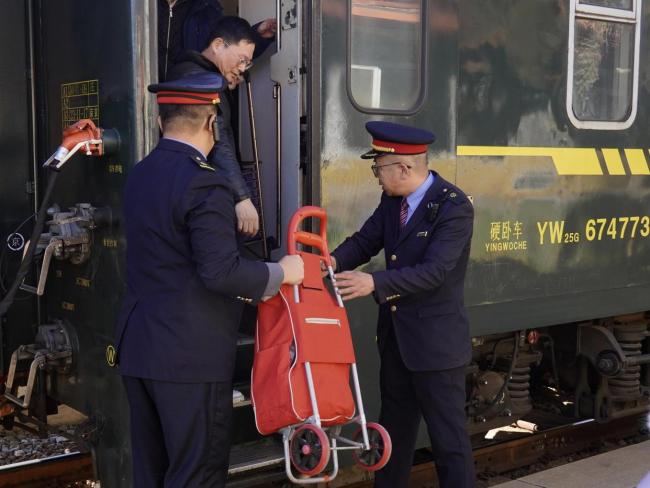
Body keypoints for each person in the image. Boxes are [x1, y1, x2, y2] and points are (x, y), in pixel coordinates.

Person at [114, 72, 304, 487]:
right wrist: (282, 272)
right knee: (196, 473)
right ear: (211, 123)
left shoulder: (141, 173)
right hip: (189, 357)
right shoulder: (204, 182)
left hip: (140, 348)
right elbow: (221, 272)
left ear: (162, 121)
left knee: (153, 472)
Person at [329, 121, 476, 488]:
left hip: (436, 347)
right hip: (396, 341)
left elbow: (435, 272)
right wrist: (329, 263)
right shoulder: (392, 201)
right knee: (391, 438)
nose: (376, 176)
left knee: (449, 443)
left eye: (378, 167)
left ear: (404, 168)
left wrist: (373, 283)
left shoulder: (453, 208)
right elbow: (365, 241)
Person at [159, 2, 276, 237]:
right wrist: (241, 197)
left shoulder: (205, 73)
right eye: (242, 60)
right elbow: (218, 139)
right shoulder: (198, 81)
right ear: (217, 46)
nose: (243, 69)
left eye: (247, 63)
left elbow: (230, 35)